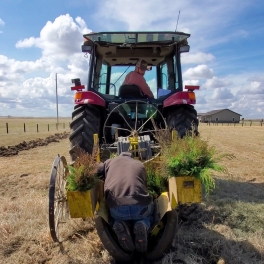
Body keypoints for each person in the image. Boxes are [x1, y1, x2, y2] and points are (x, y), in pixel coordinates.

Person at [97, 152, 154, 252]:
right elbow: (145, 187)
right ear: (131, 157)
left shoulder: (110, 162)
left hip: (117, 208)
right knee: (149, 210)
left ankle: (120, 224)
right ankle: (143, 224)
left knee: (116, 216)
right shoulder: (139, 165)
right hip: (139, 207)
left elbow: (97, 169)